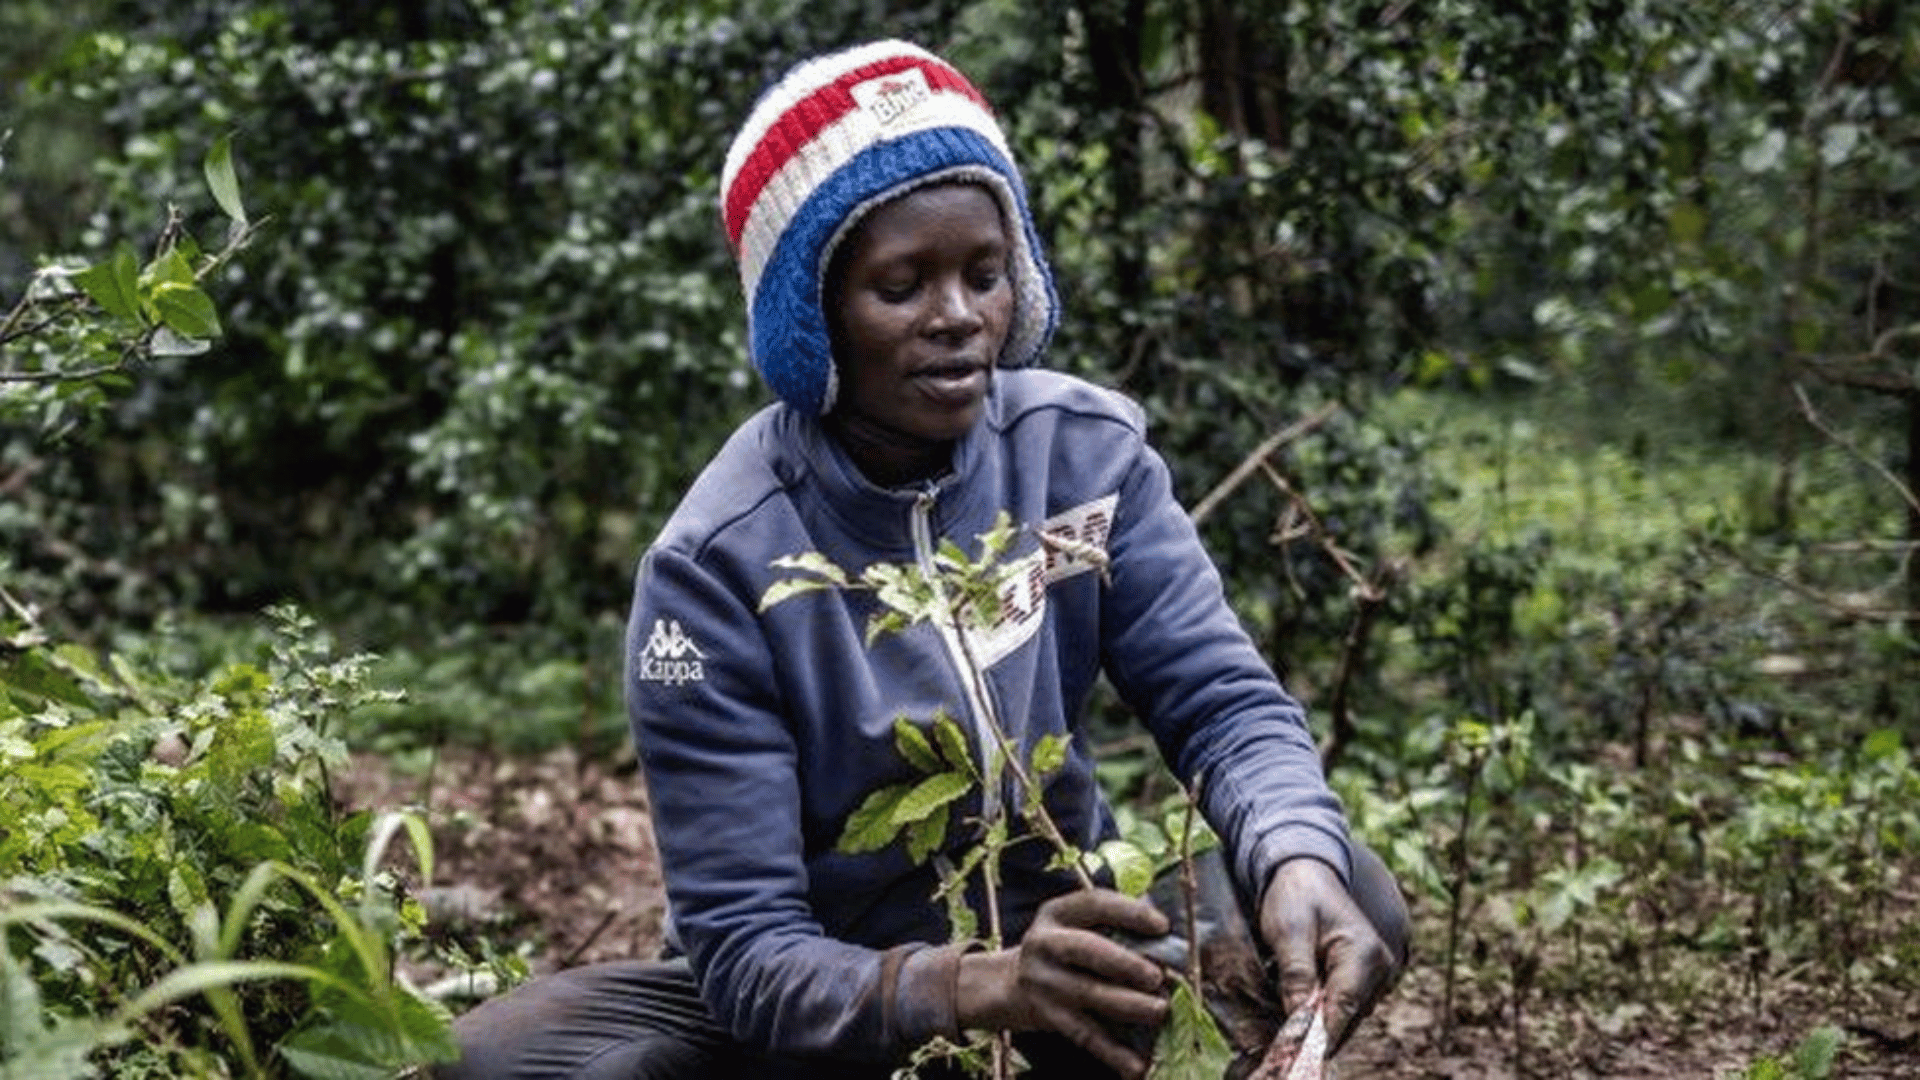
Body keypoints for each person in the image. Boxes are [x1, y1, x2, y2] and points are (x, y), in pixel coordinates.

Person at [439, 39, 1407, 1080]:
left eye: (984, 275)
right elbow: (747, 946)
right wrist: (972, 985)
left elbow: (1223, 705)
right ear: (812, 314)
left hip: (1065, 955)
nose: (957, 318)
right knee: (495, 1059)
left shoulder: (1083, 460)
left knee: (1340, 881)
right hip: (833, 1003)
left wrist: (1288, 854)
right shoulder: (714, 567)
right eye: (901, 286)